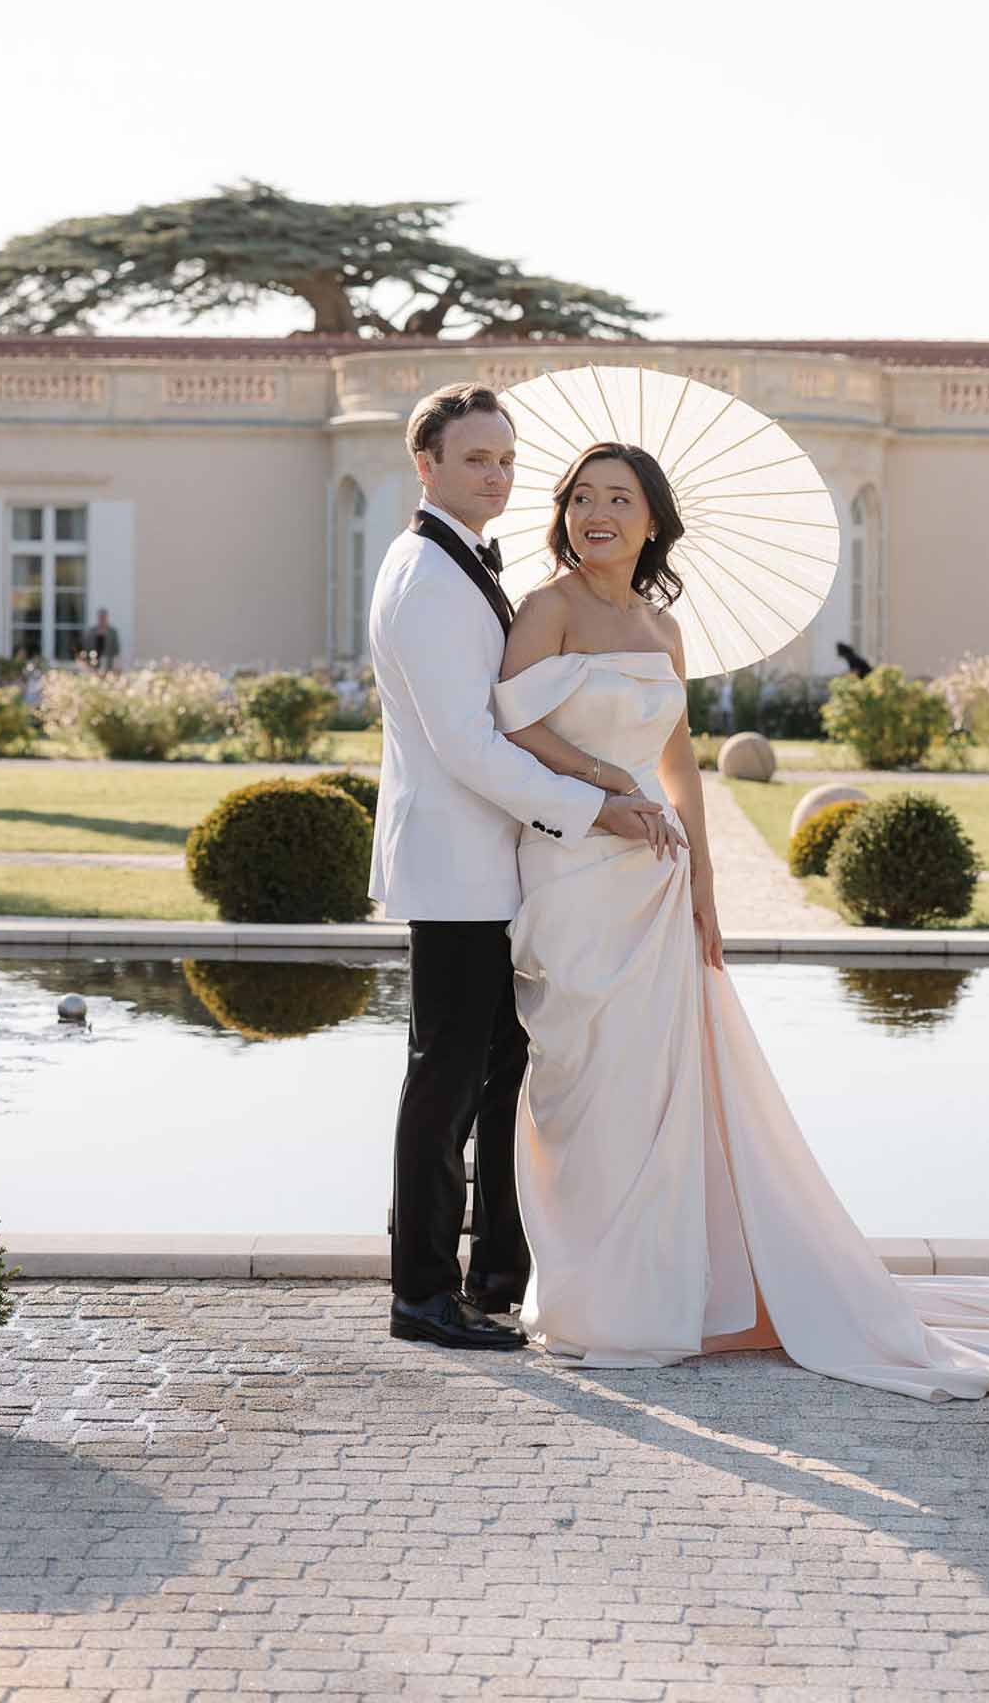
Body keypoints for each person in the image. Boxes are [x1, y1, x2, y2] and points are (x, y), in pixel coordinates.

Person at [492, 439, 989, 1399]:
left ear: (654, 519)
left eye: (619, 498)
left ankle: (651, 1299)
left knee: (661, 1091)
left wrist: (703, 887)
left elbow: (681, 757)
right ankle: (584, 1298)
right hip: (572, 872)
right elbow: (512, 728)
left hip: (655, 882)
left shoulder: (661, 627)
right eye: (581, 498)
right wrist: (602, 779)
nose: (595, 514)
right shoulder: (546, 610)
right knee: (582, 1084)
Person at [367, 384, 684, 1354]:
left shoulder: (457, 562)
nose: (496, 475)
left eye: (506, 460)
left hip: (492, 865)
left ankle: (486, 1275)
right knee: (447, 1075)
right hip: (458, 865)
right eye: (475, 459)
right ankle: (422, 1292)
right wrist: (597, 804)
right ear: (426, 463)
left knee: (487, 1069)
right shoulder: (426, 574)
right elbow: (469, 743)